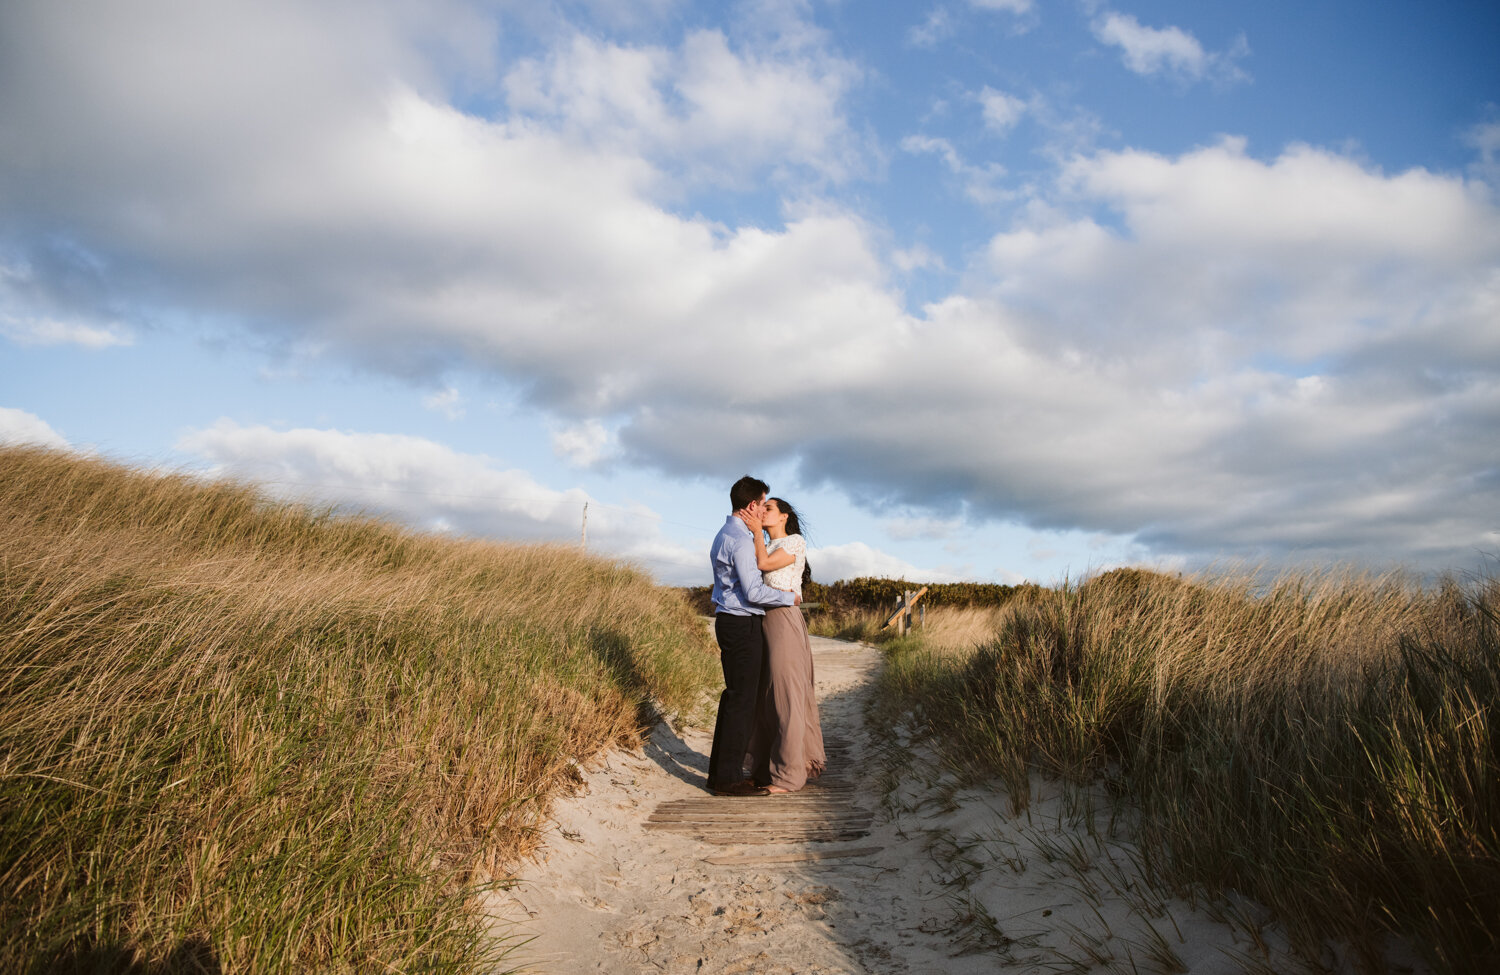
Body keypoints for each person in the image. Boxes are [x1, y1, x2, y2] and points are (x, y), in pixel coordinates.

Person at [706, 476, 800, 797]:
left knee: (734, 697)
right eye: (762, 504)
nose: (762, 510)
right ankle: (729, 779)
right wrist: (790, 598)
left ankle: (720, 773)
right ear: (751, 505)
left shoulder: (724, 534)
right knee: (743, 701)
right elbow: (754, 590)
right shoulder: (743, 541)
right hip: (742, 624)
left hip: (729, 622)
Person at [746, 497, 825, 793]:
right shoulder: (766, 544)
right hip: (762, 621)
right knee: (766, 695)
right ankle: (766, 767)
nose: (762, 512)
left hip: (783, 620)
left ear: (783, 516)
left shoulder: (794, 542)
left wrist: (754, 530)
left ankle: (789, 775)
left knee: (786, 694)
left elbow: (764, 565)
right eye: (760, 508)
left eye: (768, 509)